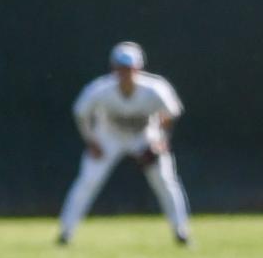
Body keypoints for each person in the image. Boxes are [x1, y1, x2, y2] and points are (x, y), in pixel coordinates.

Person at [57, 41, 192, 246]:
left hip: (145, 136)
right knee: (88, 181)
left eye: (129, 68)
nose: (125, 73)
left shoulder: (155, 88)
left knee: (165, 180)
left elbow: (171, 113)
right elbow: (80, 113)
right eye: (121, 68)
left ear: (138, 68)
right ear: (114, 68)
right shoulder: (100, 89)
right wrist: (91, 140)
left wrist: (162, 140)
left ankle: (181, 231)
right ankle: (66, 232)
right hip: (108, 136)